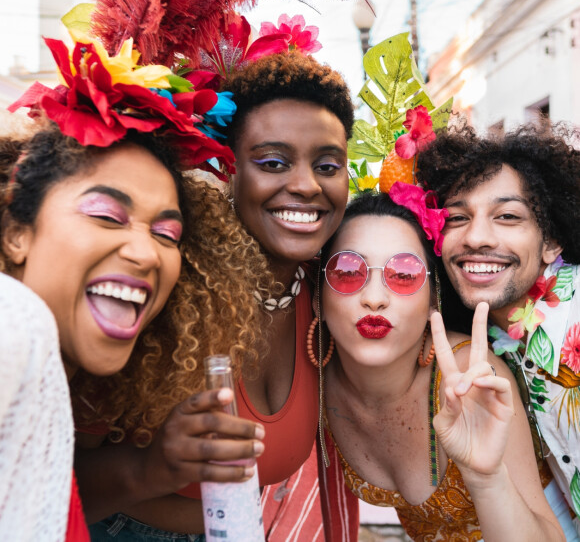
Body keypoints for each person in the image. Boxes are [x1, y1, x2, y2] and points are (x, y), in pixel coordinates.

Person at [83, 35, 355, 541]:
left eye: (327, 165)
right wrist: (153, 466)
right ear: (229, 171)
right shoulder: (168, 286)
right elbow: (50, 479)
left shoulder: (340, 292)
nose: (306, 185)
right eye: (273, 162)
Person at [316, 191, 565, 541]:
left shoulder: (470, 379)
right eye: (348, 271)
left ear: (434, 296)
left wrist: (486, 477)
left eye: (403, 274)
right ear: (319, 290)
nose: (374, 296)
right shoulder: (312, 381)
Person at [417, 124, 580, 536]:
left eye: (507, 216)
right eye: (457, 217)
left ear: (551, 241)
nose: (476, 237)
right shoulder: (488, 344)